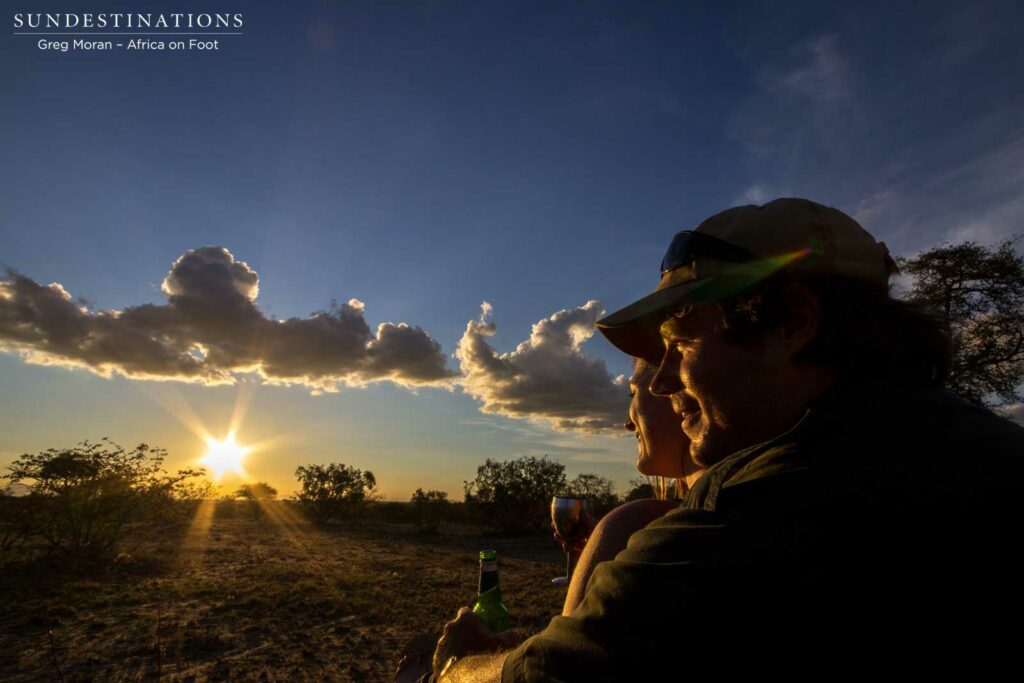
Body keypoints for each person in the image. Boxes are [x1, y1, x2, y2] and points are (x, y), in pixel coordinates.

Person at [422, 197, 1024, 680]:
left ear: (792, 323)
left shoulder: (760, 517)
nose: (660, 381)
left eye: (681, 343)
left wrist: (454, 666)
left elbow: (544, 673)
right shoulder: (952, 440)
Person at [558, 356, 704, 616]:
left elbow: (554, 657)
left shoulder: (634, 522)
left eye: (633, 393)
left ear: (672, 387)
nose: (627, 424)